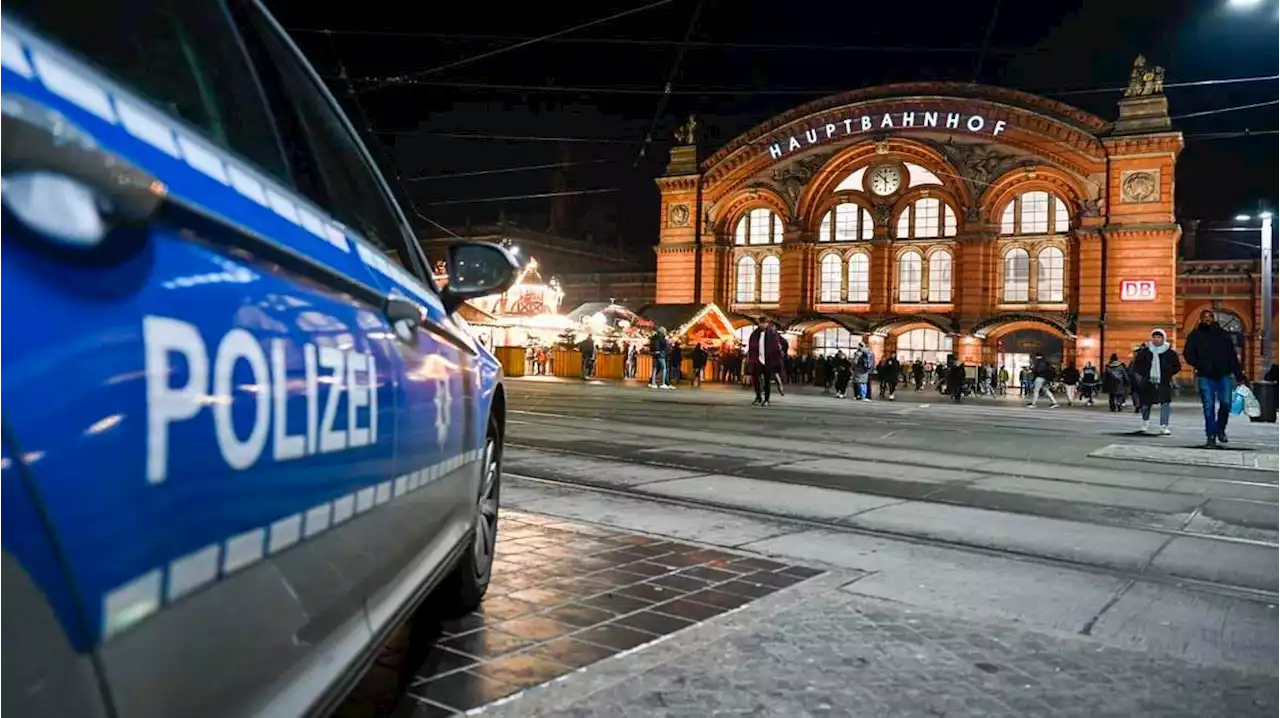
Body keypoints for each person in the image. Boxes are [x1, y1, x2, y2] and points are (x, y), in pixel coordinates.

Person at [1183, 309, 1246, 448]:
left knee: (1226, 404)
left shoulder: (1223, 335)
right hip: (1205, 375)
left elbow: (1232, 356)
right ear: (1200, 319)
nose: (1207, 319)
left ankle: (1220, 429)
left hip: (1223, 374)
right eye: (1204, 317)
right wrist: (1201, 364)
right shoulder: (1195, 335)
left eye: (1209, 317)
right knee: (1208, 406)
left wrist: (1239, 376)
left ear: (1213, 318)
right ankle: (1211, 435)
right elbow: (1187, 354)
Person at [1130, 329, 1181, 435]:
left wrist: (1167, 372)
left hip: (1163, 381)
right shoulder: (1145, 351)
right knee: (1145, 404)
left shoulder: (1170, 352)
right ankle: (1145, 423)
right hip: (1148, 381)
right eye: (1154, 337)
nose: (1156, 339)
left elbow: (1177, 366)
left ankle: (1164, 426)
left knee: (1165, 404)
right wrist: (1145, 374)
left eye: (1159, 337)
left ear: (1163, 338)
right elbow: (1138, 365)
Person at [747, 317, 785, 406]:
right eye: (761, 323)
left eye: (764, 323)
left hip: (768, 361)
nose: (762, 325)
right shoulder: (755, 334)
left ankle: (766, 399)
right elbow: (751, 349)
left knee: (767, 381)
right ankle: (758, 397)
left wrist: (777, 357)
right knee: (756, 380)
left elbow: (777, 347)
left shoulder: (772, 333)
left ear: (767, 323)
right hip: (757, 360)